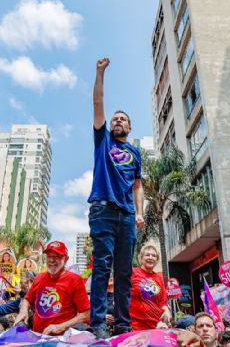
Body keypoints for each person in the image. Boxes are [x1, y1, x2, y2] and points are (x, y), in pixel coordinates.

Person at [88, 57, 145, 339]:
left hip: (127, 216)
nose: (118, 120)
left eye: (123, 119)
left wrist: (140, 212)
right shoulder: (103, 140)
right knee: (102, 267)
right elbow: (98, 103)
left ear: (130, 127)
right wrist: (100, 73)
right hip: (103, 210)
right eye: (115, 119)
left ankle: (123, 324)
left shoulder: (135, 153)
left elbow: (137, 186)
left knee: (124, 273)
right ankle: (97, 324)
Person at [13, 241, 89, 336]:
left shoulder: (75, 280)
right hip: (38, 339)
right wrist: (23, 311)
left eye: (57, 257)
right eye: (49, 256)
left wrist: (61, 326)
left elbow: (86, 314)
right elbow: (27, 299)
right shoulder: (39, 277)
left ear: (66, 259)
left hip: (62, 341)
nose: (51, 260)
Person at [129, 242, 170, 330]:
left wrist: (166, 311)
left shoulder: (159, 278)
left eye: (154, 256)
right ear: (141, 258)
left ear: (157, 259)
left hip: (156, 326)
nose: (151, 258)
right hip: (135, 326)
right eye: (147, 255)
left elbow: (163, 302)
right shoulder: (133, 272)